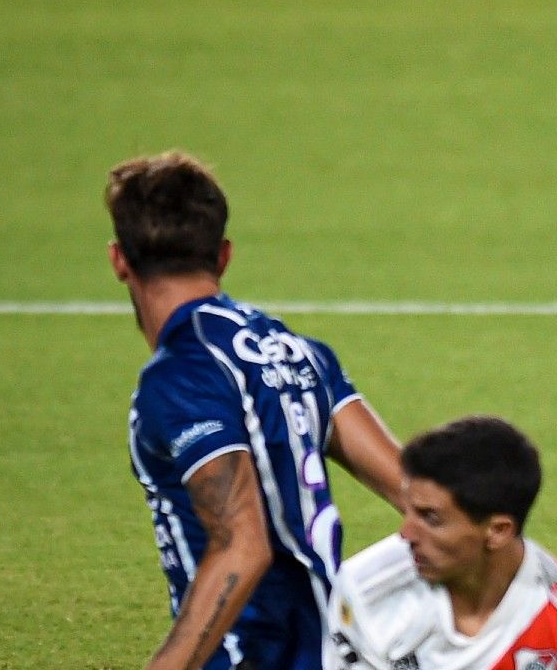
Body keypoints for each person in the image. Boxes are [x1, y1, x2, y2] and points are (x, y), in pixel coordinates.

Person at [112, 151, 404, 670]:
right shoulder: (297, 352)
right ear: (223, 255)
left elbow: (242, 547)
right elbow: (417, 490)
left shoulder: (181, 375)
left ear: (119, 260)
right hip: (332, 656)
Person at [325, 416, 557, 670]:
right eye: (410, 511)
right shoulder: (368, 589)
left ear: (497, 531)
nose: (406, 534)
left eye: (431, 518)